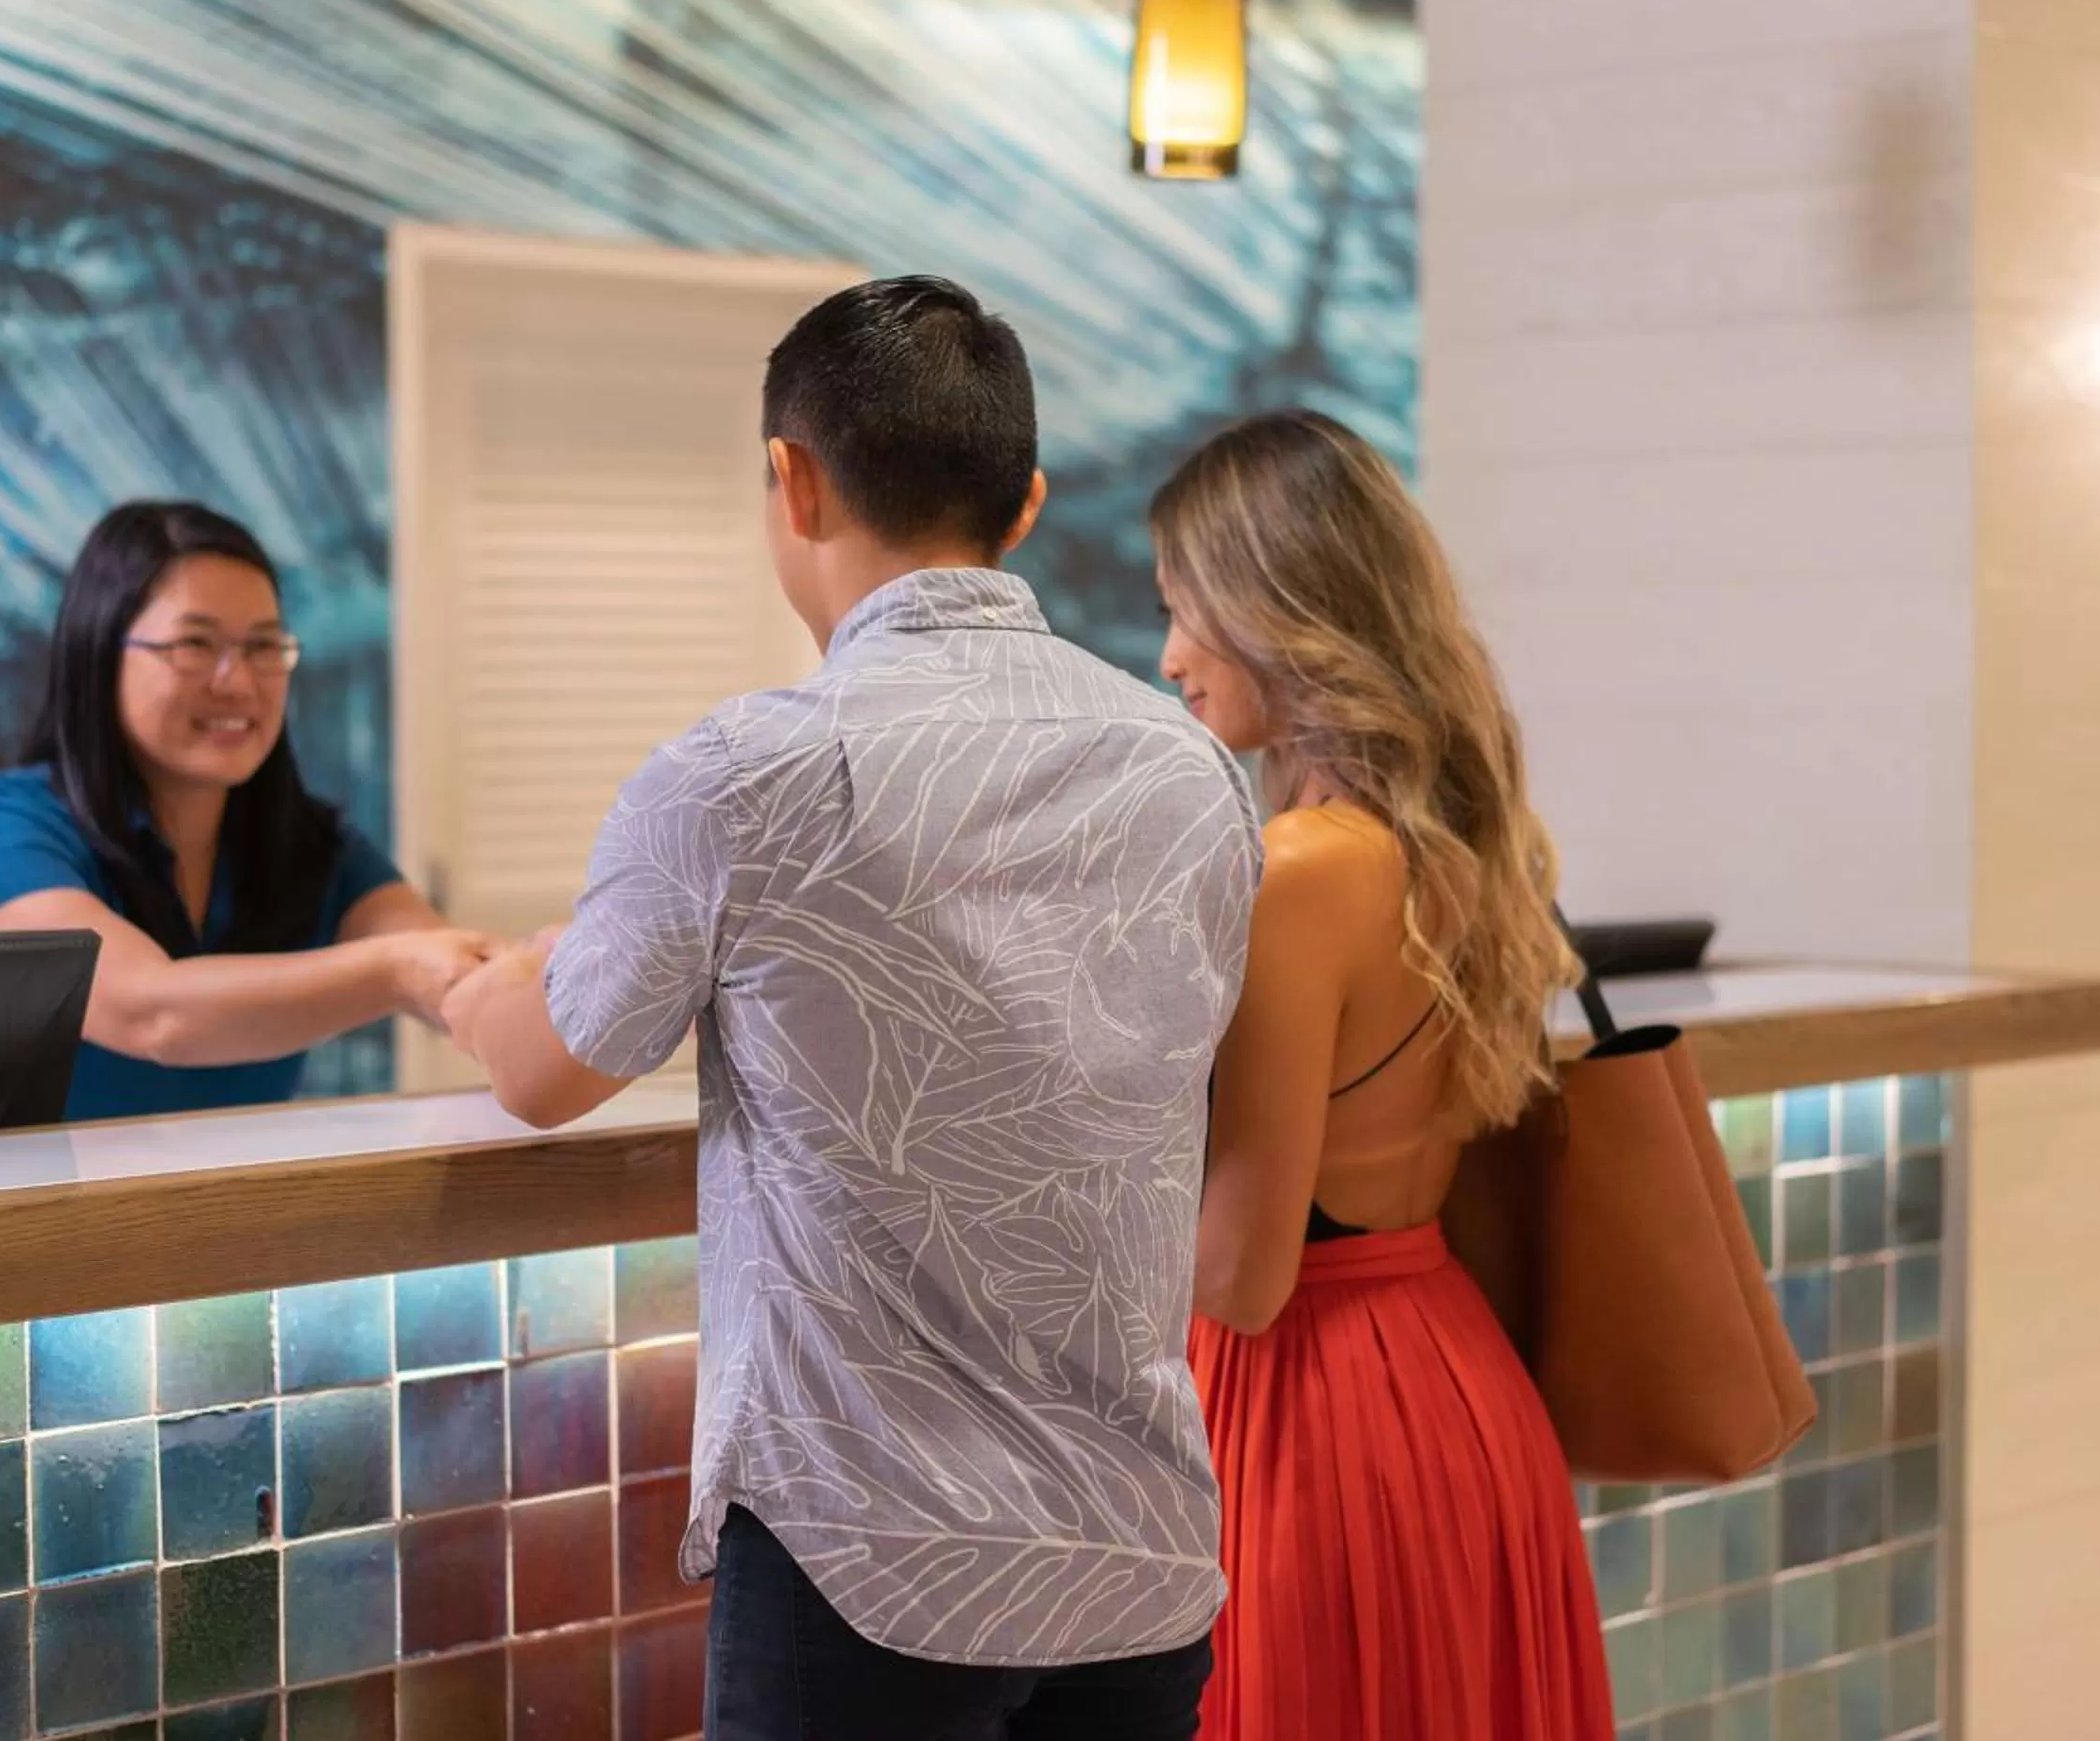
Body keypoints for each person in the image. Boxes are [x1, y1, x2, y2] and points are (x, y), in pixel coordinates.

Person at [441, 276, 1263, 1741]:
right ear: (1023, 507)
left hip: (869, 1553)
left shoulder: (743, 774)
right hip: (1138, 1554)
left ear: (792, 479)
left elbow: (545, 1074)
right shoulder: (1188, 768)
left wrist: (474, 980)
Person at [1155, 410, 1615, 1741]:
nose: (1172, 657)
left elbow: (1242, 1279)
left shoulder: (1299, 872)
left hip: (1308, 1423)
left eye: (1187, 610)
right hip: (1452, 1395)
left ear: (1277, 608)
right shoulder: (1466, 851)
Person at [0, 501, 495, 1119]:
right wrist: (398, 970)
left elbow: (456, 976)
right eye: (195, 644)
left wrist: (541, 978)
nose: (240, 683)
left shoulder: (314, 847)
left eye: (263, 646)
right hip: (26, 1215)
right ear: (99, 653)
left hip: (233, 1213)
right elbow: (152, 1014)